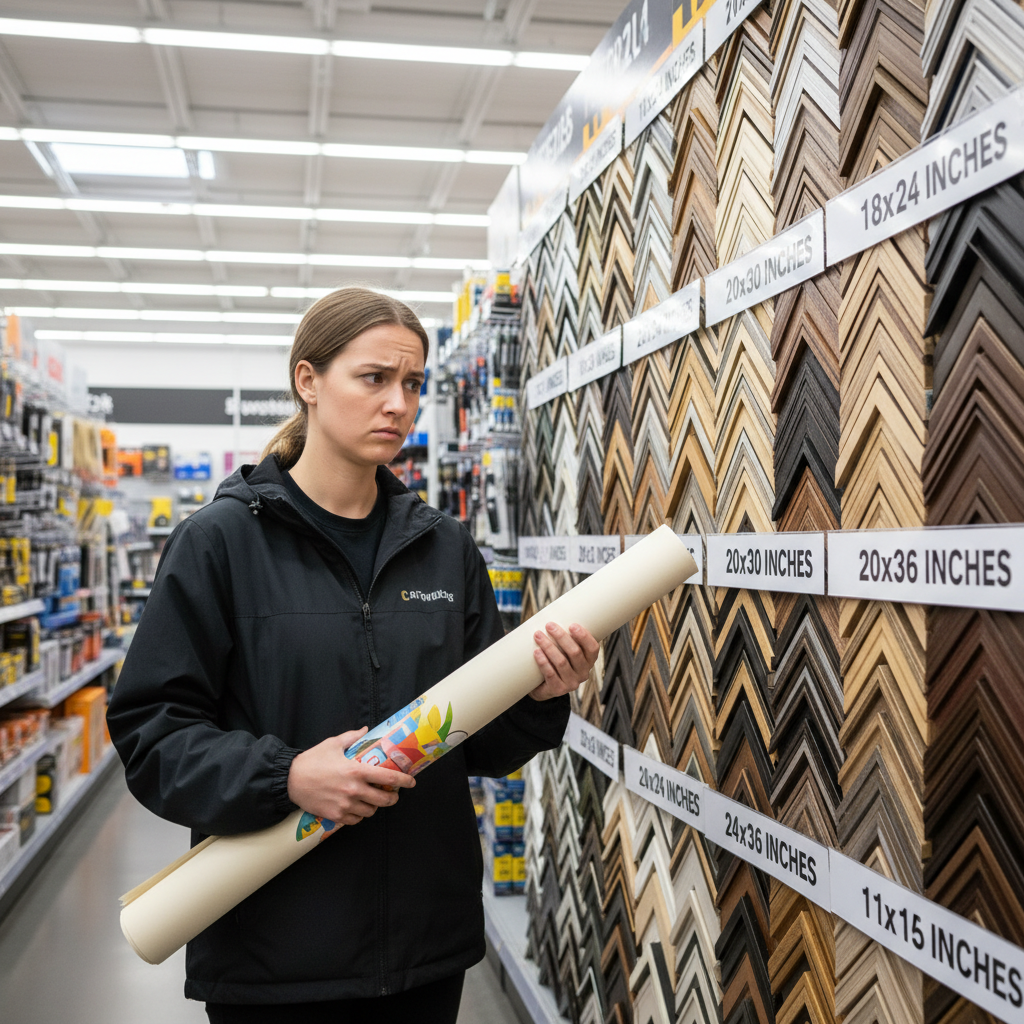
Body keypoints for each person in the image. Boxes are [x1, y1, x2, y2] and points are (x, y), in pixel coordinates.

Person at [107, 287, 600, 1024]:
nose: (398, 404)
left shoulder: (443, 548)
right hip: (274, 954)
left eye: (412, 384)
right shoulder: (220, 543)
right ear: (308, 381)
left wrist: (538, 696)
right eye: (374, 379)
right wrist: (288, 776)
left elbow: (479, 745)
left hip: (424, 949)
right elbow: (154, 736)